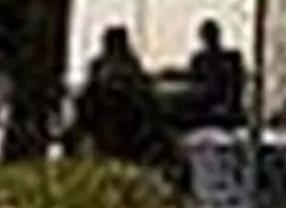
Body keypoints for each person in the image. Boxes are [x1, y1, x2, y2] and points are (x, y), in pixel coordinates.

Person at [73, 26, 169, 168]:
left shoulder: (129, 64)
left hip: (128, 119)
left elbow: (142, 89)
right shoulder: (100, 65)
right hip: (105, 117)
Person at [187, 18, 246, 128]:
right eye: (207, 35)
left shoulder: (231, 58)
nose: (210, 39)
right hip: (205, 107)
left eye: (212, 35)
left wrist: (229, 107)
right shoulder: (199, 60)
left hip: (226, 107)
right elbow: (193, 82)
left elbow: (237, 84)